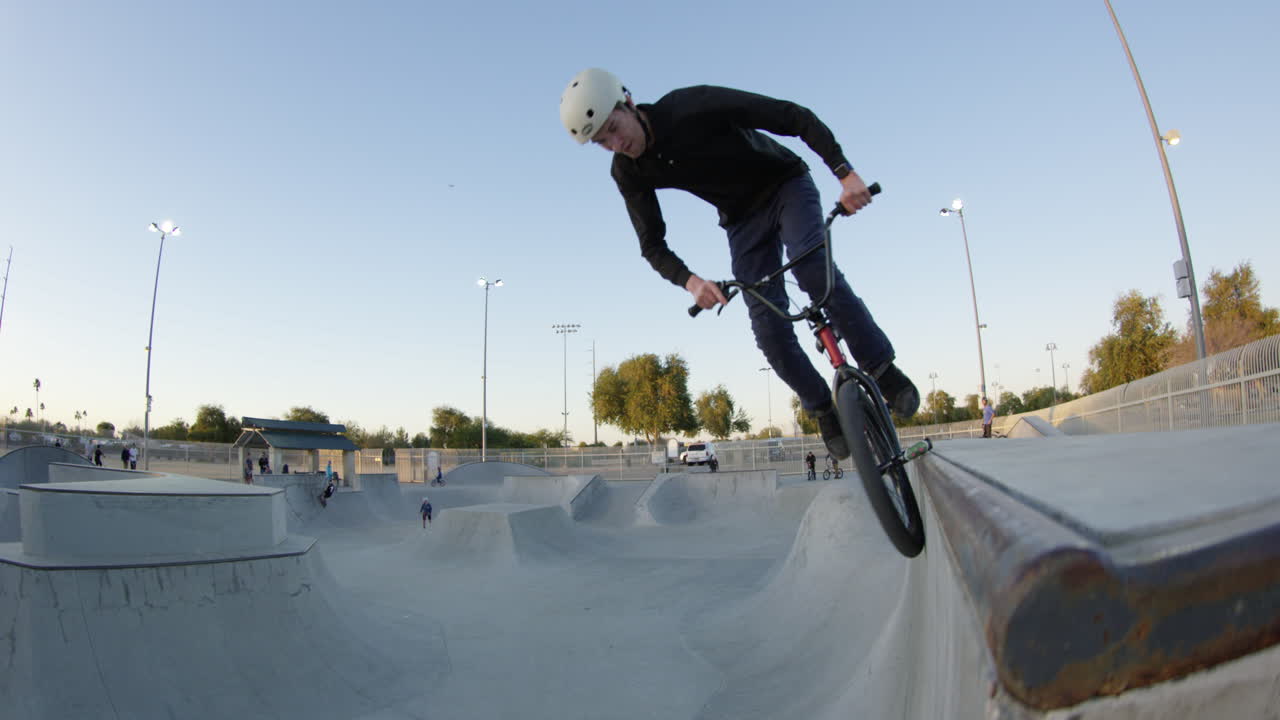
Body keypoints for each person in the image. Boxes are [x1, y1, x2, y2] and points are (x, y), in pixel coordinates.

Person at [560, 69, 919, 462]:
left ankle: (880, 367)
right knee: (767, 328)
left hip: (785, 184)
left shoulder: (690, 106)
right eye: (603, 142)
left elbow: (792, 116)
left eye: (614, 128)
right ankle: (822, 408)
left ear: (628, 103)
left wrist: (844, 173)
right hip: (742, 222)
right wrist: (691, 282)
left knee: (812, 269)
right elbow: (652, 244)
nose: (617, 144)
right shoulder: (627, 171)